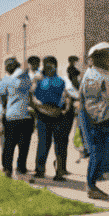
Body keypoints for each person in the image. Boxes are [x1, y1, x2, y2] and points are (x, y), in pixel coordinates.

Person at [77, 42, 109, 200]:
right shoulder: (93, 76)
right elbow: (91, 103)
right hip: (96, 121)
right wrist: (102, 120)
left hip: (104, 119)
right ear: (94, 59)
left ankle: (95, 179)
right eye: (105, 56)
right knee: (96, 151)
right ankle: (91, 185)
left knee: (101, 151)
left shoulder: (101, 73)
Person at [28, 55, 76, 184]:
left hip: (57, 115)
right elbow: (31, 95)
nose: (49, 66)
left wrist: (66, 107)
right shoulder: (37, 79)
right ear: (43, 65)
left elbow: (67, 94)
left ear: (55, 65)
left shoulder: (61, 80)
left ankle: (60, 172)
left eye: (52, 63)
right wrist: (37, 105)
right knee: (43, 143)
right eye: (46, 63)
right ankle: (40, 170)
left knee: (60, 146)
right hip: (43, 115)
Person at [0, 56, 35, 181]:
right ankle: (18, 168)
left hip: (13, 117)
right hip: (23, 116)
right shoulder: (24, 78)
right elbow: (0, 99)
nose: (9, 68)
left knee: (10, 145)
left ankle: (9, 168)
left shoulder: (9, 80)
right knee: (21, 145)